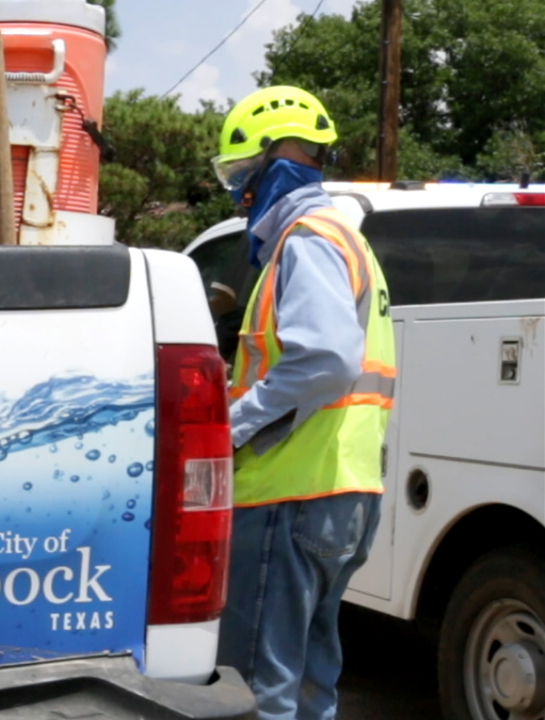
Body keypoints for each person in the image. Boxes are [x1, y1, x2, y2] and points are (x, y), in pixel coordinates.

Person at [211, 86, 397, 720]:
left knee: (260, 691)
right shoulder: (349, 239)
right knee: (312, 685)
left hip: (290, 497)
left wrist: (230, 428)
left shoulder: (307, 238)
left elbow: (326, 358)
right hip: (343, 492)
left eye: (240, 172)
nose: (238, 190)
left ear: (278, 156)